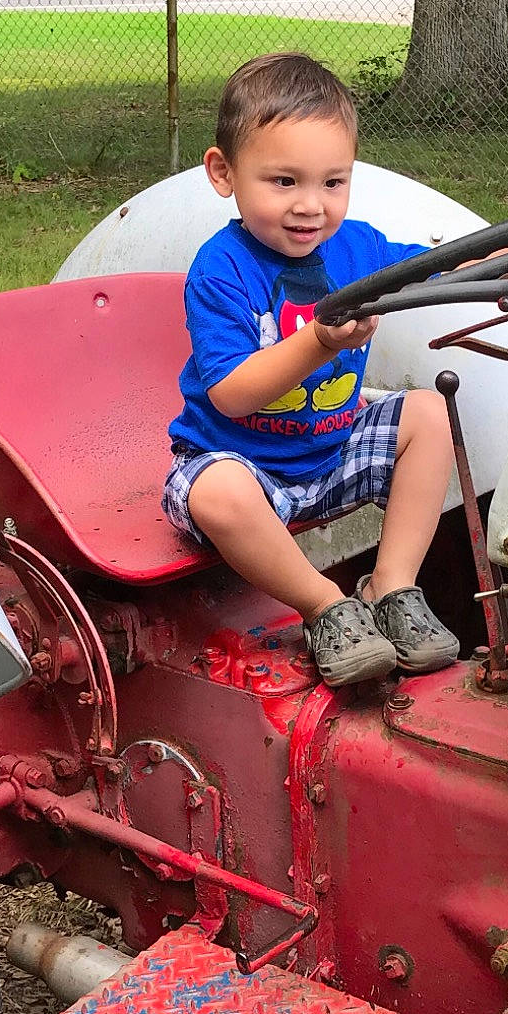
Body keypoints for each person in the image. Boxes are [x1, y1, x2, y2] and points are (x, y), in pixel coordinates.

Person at [162, 52, 462, 686]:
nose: (311, 207)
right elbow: (233, 395)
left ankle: (392, 587)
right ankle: (325, 606)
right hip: (247, 464)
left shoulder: (357, 247)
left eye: (333, 182)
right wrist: (320, 344)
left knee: (429, 414)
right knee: (215, 493)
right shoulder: (221, 270)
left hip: (333, 451)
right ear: (224, 173)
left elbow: (435, 266)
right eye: (284, 182)